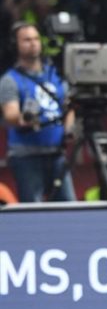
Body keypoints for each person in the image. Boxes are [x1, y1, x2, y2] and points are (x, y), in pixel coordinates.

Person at [0, 22, 75, 202]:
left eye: (35, 39)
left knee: (69, 205)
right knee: (32, 207)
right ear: (15, 45)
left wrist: (68, 130)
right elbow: (10, 114)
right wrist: (23, 120)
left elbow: (69, 106)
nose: (33, 43)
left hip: (56, 153)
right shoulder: (10, 80)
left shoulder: (56, 75)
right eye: (26, 40)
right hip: (27, 156)